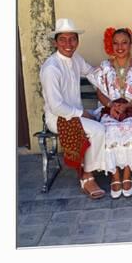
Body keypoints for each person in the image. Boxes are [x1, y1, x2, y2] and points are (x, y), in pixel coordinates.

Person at [40, 18, 106, 199]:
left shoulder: (75, 58)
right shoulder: (51, 68)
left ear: (78, 41)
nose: (68, 44)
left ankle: (109, 166)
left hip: (77, 114)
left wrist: (111, 70)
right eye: (63, 39)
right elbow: (56, 106)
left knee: (107, 117)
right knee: (98, 130)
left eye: (72, 39)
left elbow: (91, 72)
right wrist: (83, 113)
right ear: (55, 42)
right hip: (59, 118)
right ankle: (87, 177)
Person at [86, 27, 132, 198]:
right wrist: (111, 105)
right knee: (107, 130)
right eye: (116, 43)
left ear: (130, 44)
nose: (120, 47)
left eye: (124, 43)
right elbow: (100, 91)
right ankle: (115, 175)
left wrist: (129, 105)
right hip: (110, 108)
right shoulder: (105, 67)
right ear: (111, 45)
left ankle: (127, 175)